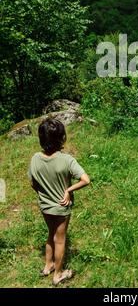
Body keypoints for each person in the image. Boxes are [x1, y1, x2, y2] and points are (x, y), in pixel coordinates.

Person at [28, 118, 90, 286]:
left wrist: (44, 194)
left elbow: (33, 183)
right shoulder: (67, 160)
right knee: (60, 239)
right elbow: (85, 180)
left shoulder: (35, 158)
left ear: (41, 138)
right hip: (61, 208)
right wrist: (68, 190)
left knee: (50, 234)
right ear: (62, 137)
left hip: (45, 206)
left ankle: (47, 266)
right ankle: (58, 275)